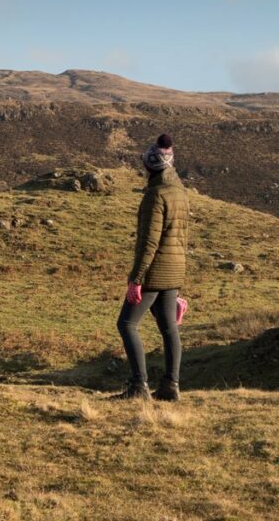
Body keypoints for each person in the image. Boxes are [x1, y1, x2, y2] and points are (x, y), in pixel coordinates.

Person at [114, 134, 189, 401]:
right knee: (169, 328)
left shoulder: (154, 197)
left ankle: (139, 386)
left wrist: (136, 279)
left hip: (155, 271)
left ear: (150, 165)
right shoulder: (180, 192)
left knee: (126, 324)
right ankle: (171, 386)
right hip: (174, 270)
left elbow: (149, 243)